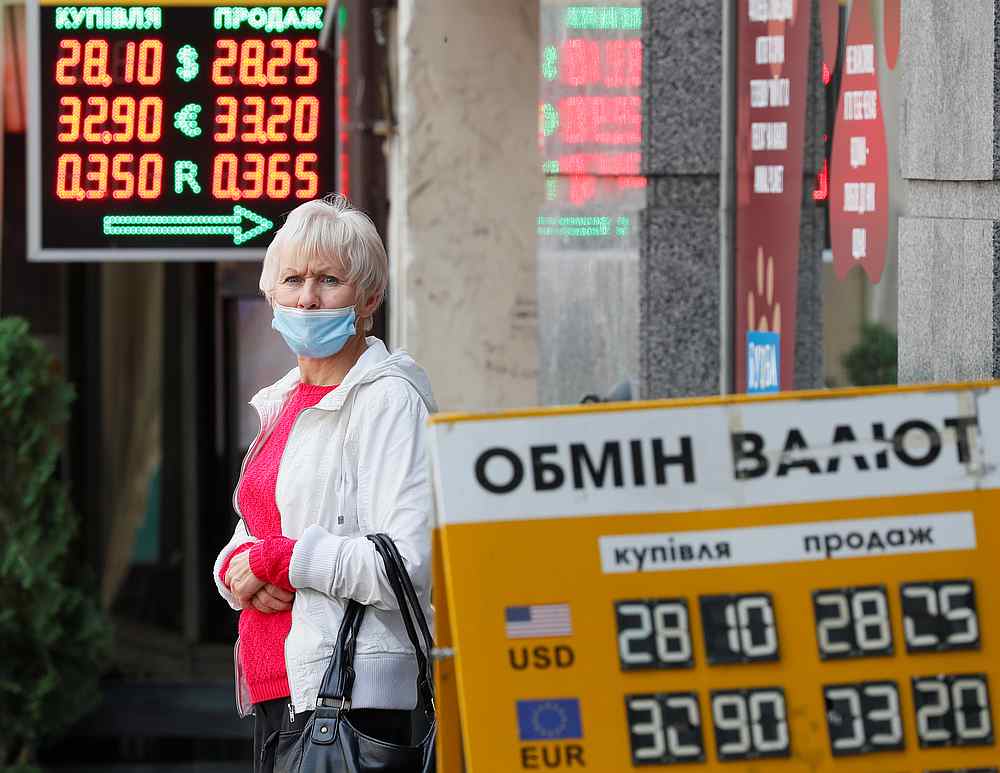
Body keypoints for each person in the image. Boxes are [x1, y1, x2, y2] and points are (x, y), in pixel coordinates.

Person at [211, 195, 436, 772]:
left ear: (369, 300)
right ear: (272, 297)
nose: (307, 297)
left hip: (352, 700)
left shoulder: (388, 399)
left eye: (329, 280)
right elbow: (256, 529)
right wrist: (235, 571)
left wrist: (281, 562)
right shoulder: (284, 400)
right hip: (275, 690)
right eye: (292, 279)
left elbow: (405, 564)